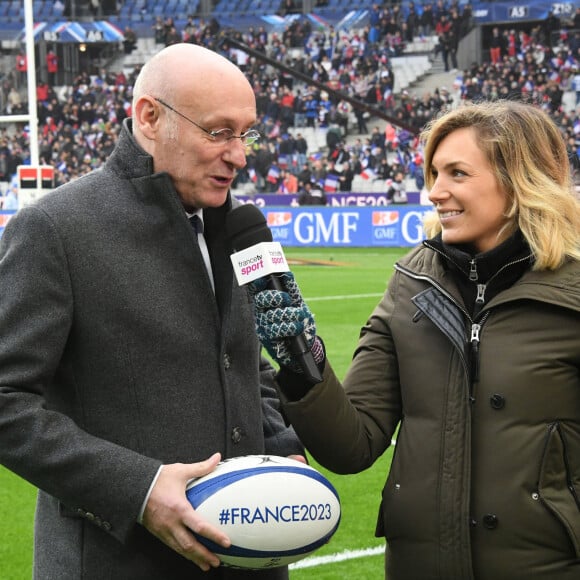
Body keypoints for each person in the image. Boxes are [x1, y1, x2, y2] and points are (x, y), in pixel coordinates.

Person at [0, 43, 305, 580]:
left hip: (250, 558)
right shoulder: (56, 229)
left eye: (246, 134)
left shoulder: (234, 225)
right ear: (149, 117)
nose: (239, 155)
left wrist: (281, 446)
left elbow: (244, 362)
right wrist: (138, 488)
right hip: (114, 565)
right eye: (218, 132)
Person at [249, 100, 580, 580]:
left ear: (517, 180)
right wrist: (303, 359)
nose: (435, 192)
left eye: (457, 174)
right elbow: (352, 444)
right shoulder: (411, 283)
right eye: (433, 173)